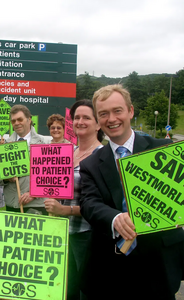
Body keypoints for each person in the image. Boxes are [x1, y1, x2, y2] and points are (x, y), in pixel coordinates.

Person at [79, 84, 184, 299]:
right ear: (98, 121)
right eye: (103, 114)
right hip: (111, 267)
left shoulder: (163, 149)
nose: (111, 119)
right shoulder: (91, 164)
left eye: (117, 111)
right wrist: (115, 217)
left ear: (131, 111)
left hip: (159, 264)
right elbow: (89, 203)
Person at [45, 100, 103, 300]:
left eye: (87, 117)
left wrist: (65, 210)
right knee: (65, 289)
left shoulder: (102, 156)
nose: (80, 121)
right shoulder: (69, 152)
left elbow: (101, 205)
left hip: (86, 235)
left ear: (98, 124)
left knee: (85, 290)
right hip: (62, 232)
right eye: (77, 117)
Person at [0, 104, 47, 214]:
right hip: (12, 204)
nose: (16, 123)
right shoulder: (5, 145)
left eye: (20, 119)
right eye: (13, 121)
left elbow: (51, 175)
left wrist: (34, 193)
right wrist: (6, 178)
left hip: (37, 205)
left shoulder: (45, 143)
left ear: (29, 119)